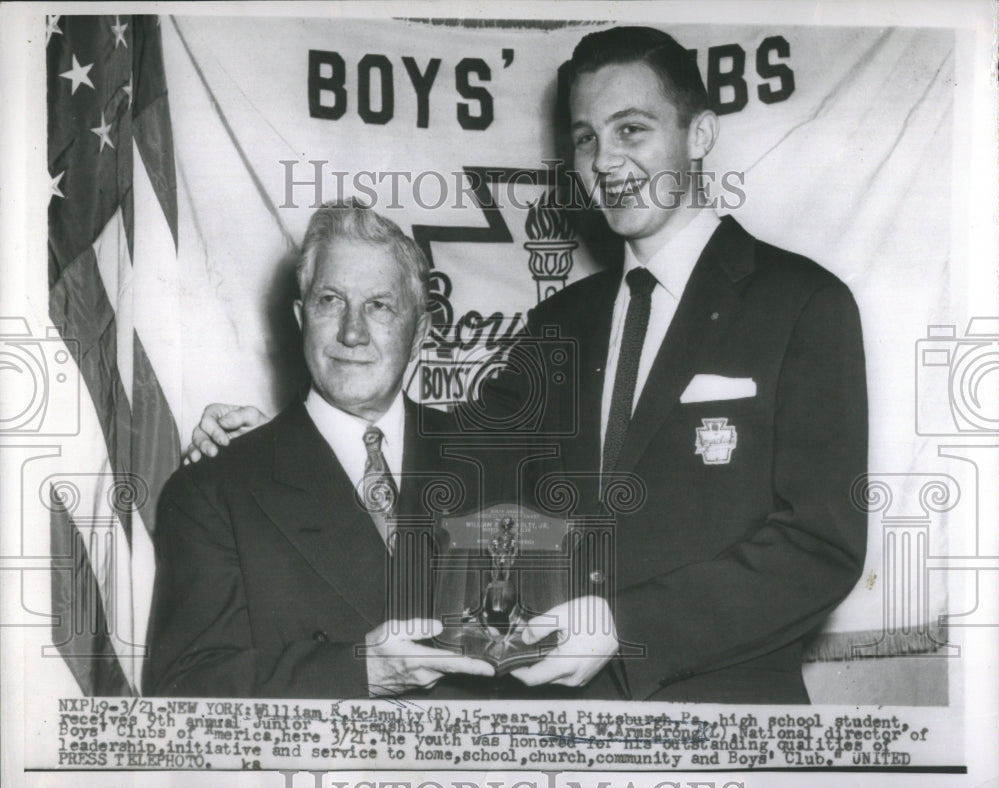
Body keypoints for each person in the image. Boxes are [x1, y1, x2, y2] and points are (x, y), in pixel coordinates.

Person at [187, 26, 868, 703]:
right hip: (562, 728)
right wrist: (276, 453)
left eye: (632, 130)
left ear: (699, 135)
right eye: (585, 137)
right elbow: (447, 453)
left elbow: (820, 547)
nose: (606, 160)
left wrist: (628, 628)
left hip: (730, 719)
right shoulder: (562, 323)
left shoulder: (803, 304)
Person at [143, 201, 496, 697]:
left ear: (419, 334)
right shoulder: (213, 488)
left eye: (379, 305)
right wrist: (359, 673)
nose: (352, 332)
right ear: (300, 317)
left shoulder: (494, 465)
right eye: (331, 300)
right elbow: (184, 689)